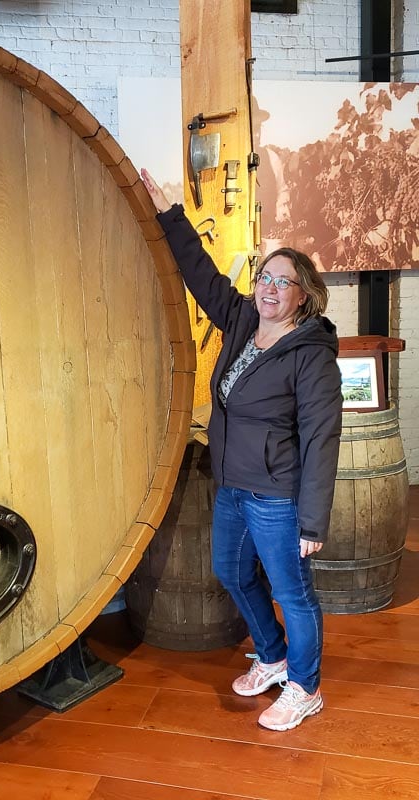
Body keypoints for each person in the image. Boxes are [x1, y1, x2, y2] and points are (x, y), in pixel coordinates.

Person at [140, 169, 342, 731]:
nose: (269, 289)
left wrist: (312, 520)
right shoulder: (245, 319)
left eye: (283, 282)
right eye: (265, 278)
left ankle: (305, 687)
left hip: (278, 495)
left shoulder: (311, 353)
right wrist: (168, 214)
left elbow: (324, 436)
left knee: (292, 593)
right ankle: (274, 657)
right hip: (232, 485)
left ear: (305, 296)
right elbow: (202, 277)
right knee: (232, 573)